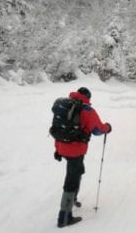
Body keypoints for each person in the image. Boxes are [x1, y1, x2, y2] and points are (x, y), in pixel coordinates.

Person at [54, 87, 112, 228]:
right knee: (72, 179)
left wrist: (57, 149)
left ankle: (72, 199)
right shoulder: (86, 110)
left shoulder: (64, 105)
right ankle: (64, 217)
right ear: (87, 97)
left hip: (62, 147)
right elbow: (98, 129)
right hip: (76, 150)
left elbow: (58, 128)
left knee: (76, 172)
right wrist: (107, 128)